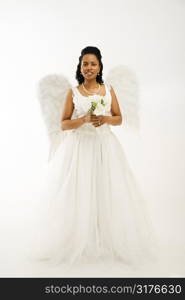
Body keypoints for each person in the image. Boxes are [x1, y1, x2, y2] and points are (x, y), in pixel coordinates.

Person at [33, 46, 158, 268]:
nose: (89, 67)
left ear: (99, 66)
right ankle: (79, 239)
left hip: (105, 147)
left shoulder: (108, 90)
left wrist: (105, 119)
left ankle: (108, 239)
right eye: (85, 64)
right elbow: (63, 123)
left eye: (93, 64)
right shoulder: (73, 92)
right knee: (80, 191)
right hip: (80, 148)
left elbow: (119, 118)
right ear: (80, 67)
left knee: (107, 189)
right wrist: (83, 119)